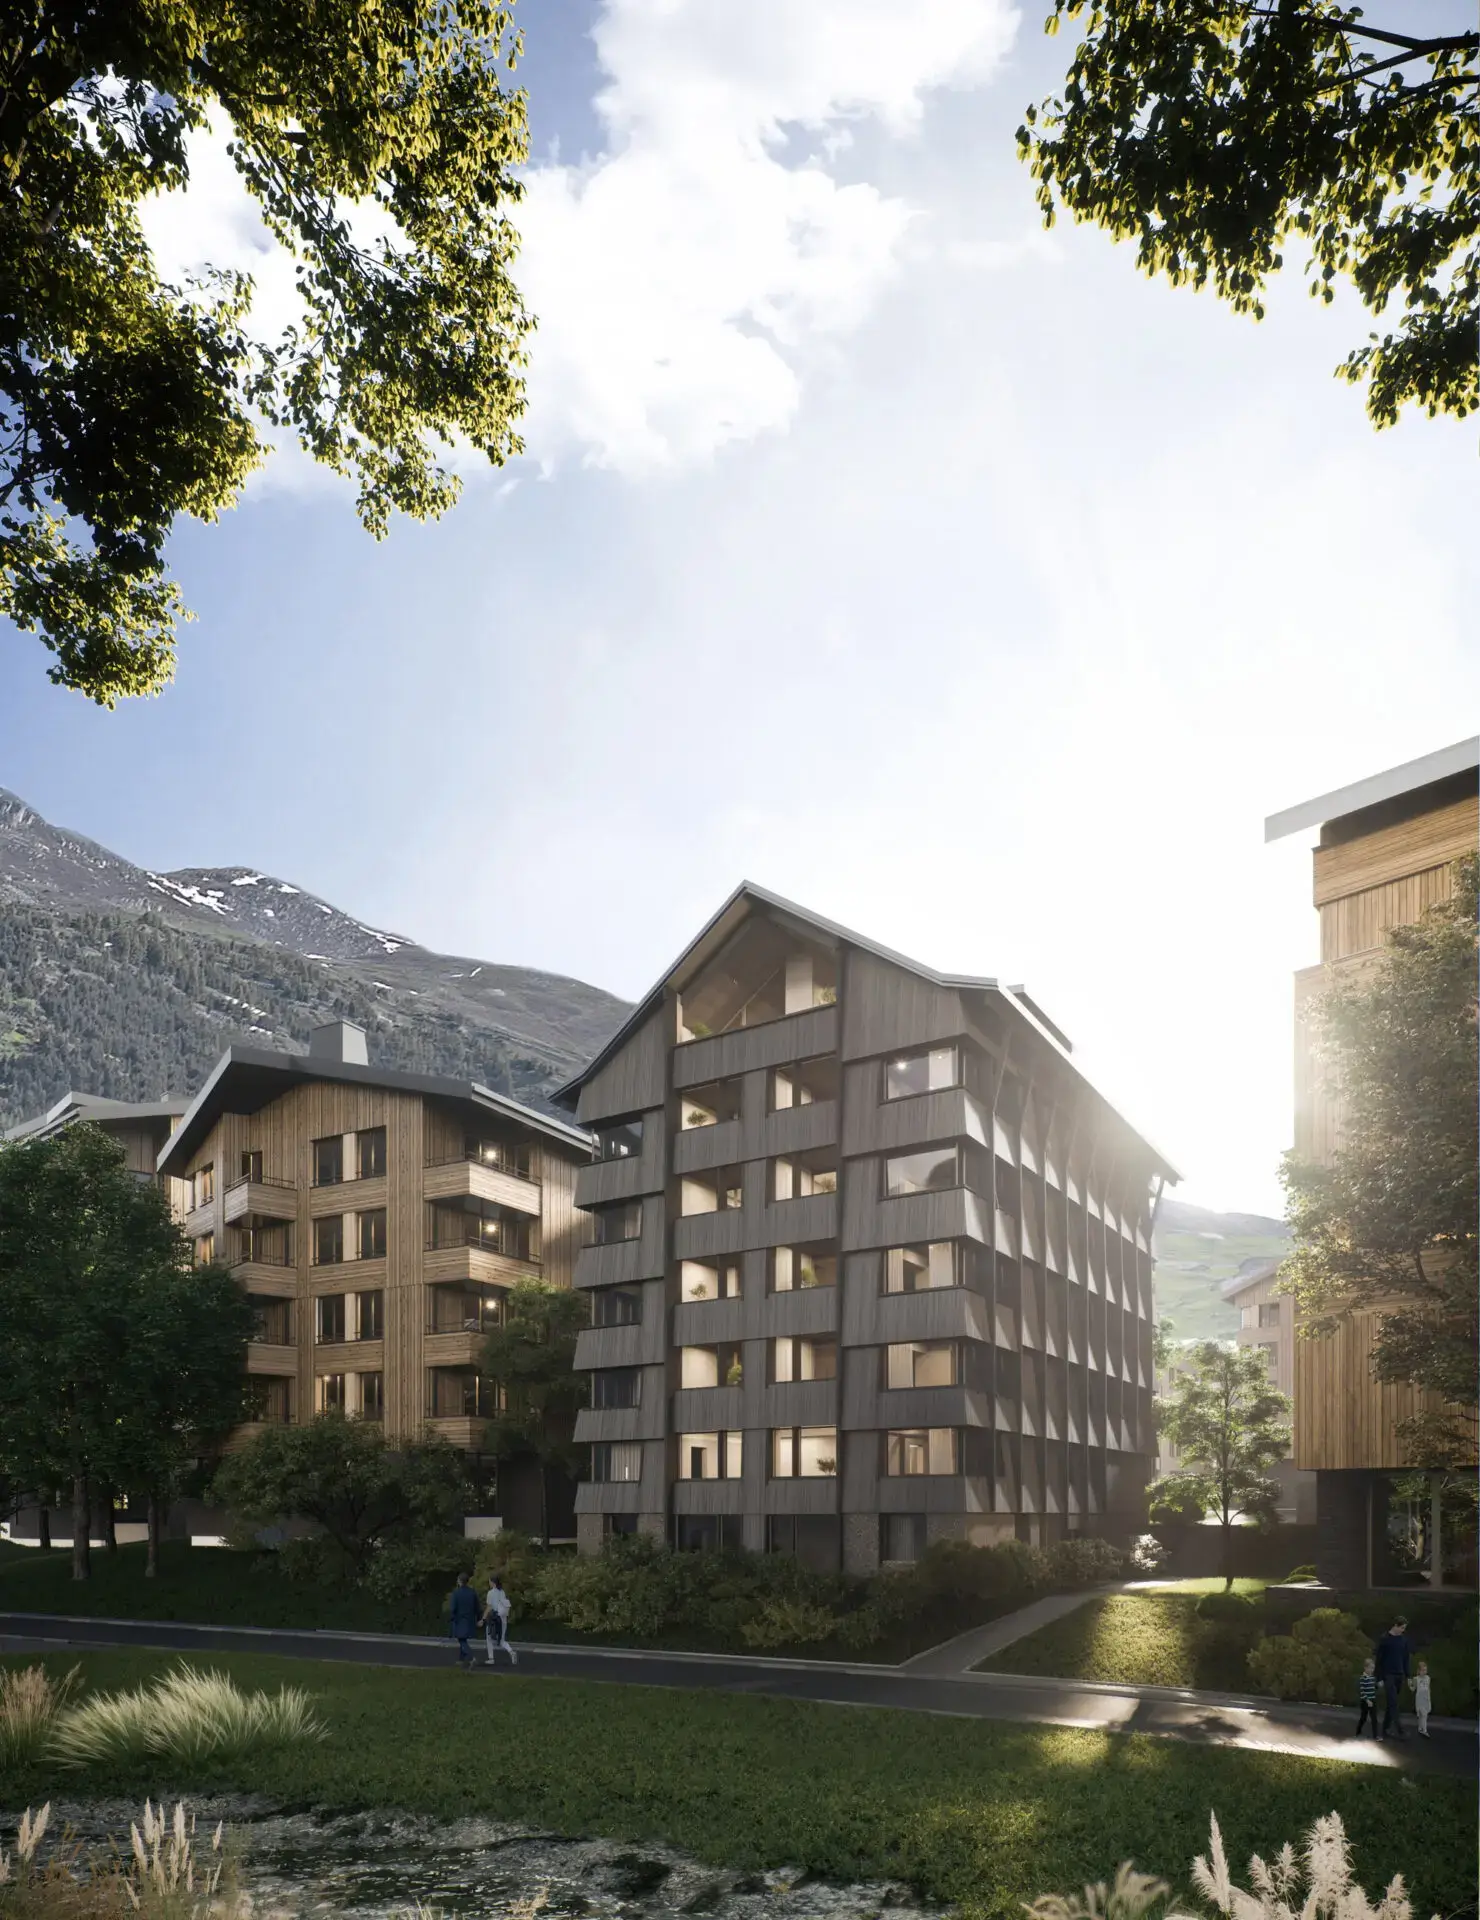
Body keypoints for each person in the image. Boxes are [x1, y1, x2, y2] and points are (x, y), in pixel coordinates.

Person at [1372, 1615, 1412, 1740]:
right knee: (1393, 1703)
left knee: (1391, 1704)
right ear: (1395, 1625)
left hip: (1399, 1675)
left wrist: (1408, 1676)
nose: (1403, 1630)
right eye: (1402, 1628)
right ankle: (1401, 1731)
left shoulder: (1403, 1640)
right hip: (1388, 1675)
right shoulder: (1385, 1639)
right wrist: (1378, 1678)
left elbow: (1406, 1659)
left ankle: (1385, 1729)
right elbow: (1379, 1660)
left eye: (1404, 1628)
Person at [480, 1573, 518, 1667]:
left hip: (494, 1618)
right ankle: (511, 1651)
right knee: (502, 1640)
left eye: (490, 1581)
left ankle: (491, 1658)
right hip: (503, 1618)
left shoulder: (490, 1593)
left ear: (493, 1583)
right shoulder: (502, 1592)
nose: (489, 1583)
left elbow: (489, 1607)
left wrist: (483, 1619)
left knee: (489, 1638)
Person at [449, 1571, 480, 1671]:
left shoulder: (456, 1593)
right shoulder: (472, 1592)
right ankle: (461, 1659)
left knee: (461, 1640)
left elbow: (453, 1608)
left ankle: (471, 1657)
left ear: (459, 1581)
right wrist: (478, 1618)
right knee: (463, 1639)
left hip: (459, 1619)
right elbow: (477, 1607)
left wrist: (452, 1617)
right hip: (470, 1619)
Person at [1355, 1657, 1378, 1738]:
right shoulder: (1363, 1678)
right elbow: (1362, 1691)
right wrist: (1367, 1700)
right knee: (1363, 1718)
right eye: (1370, 1668)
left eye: (1373, 1668)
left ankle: (1375, 1735)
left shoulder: (1372, 1677)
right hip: (1365, 1701)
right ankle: (1358, 1731)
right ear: (1365, 1668)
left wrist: (1378, 1685)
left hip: (1373, 1700)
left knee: (1374, 1718)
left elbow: (1374, 1687)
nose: (1372, 1670)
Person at [1412, 1659, 1432, 1737]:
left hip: (1426, 1698)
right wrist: (1410, 1683)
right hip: (1419, 1699)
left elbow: (1428, 1688)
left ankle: (1420, 1728)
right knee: (1423, 1715)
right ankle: (1424, 1730)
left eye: (1425, 1670)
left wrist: (1428, 1698)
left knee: (1423, 1715)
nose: (1424, 1672)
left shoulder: (1428, 1678)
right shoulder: (1416, 1679)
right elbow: (1413, 1688)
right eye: (1422, 1670)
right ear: (1419, 1671)